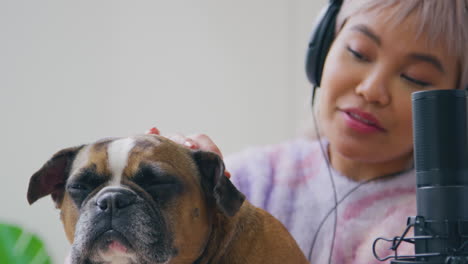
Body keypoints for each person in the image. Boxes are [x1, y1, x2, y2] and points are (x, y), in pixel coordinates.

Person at [64, 0, 467, 263]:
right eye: (359, 53)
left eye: (415, 77)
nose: (372, 89)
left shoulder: (442, 224)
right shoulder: (253, 177)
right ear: (321, 49)